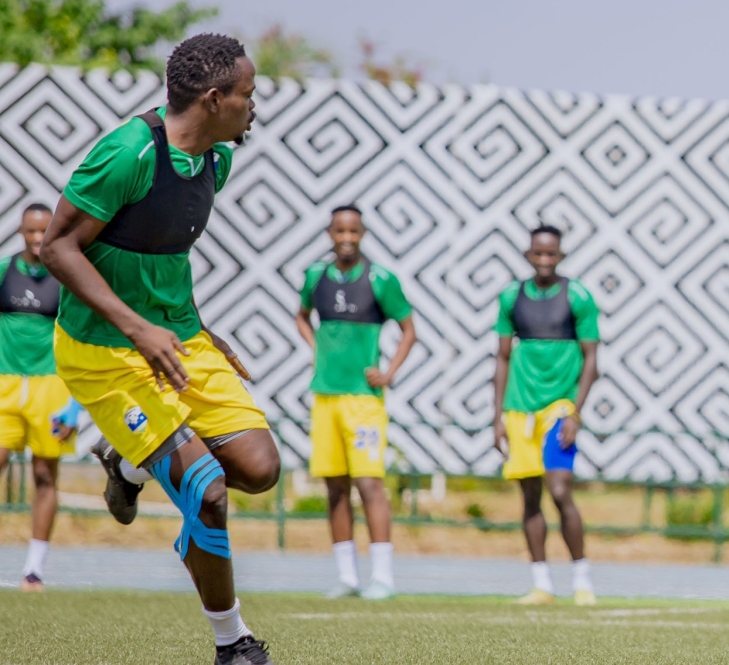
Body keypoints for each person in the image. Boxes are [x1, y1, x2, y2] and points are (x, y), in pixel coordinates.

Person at [42, 33, 279, 664]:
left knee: (258, 469)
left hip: (179, 338)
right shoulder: (127, 155)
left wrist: (198, 327)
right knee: (207, 490)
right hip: (104, 351)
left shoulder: (214, 163)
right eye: (247, 94)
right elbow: (58, 248)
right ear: (212, 98)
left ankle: (126, 463)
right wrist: (139, 329)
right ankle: (234, 645)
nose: (255, 105)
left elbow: (162, 258)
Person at [295, 205, 417, 600]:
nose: (346, 238)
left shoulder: (381, 279)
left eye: (353, 231)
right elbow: (301, 316)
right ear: (330, 233)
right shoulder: (315, 276)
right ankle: (347, 577)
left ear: (362, 234)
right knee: (334, 487)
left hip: (363, 400)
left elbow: (409, 329)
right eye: (339, 231)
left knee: (370, 484)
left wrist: (390, 372)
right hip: (325, 396)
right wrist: (317, 349)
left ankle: (383, 577)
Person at [492, 225, 600, 606]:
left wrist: (575, 412)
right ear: (527, 255)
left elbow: (591, 361)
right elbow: (503, 357)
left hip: (558, 409)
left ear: (560, 256)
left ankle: (582, 579)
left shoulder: (578, 297)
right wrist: (497, 416)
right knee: (530, 495)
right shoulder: (511, 297)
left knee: (559, 490)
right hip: (519, 409)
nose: (544, 260)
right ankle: (542, 584)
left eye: (551, 254)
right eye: (537, 254)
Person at [0, 203, 83, 592]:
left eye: (43, 231)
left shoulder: (66, 277)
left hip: (51, 386)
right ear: (20, 231)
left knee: (44, 475)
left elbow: (81, 340)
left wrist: (73, 406)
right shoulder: (4, 271)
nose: (37, 238)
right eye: (30, 231)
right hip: (6, 384)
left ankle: (34, 569)